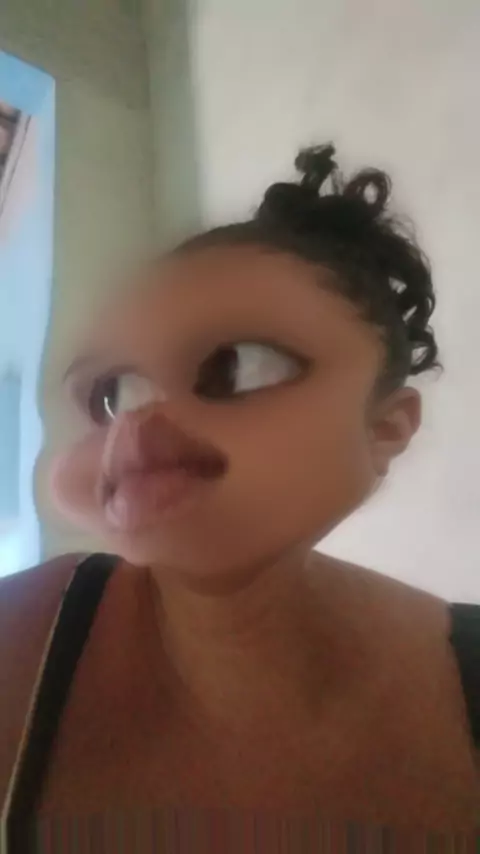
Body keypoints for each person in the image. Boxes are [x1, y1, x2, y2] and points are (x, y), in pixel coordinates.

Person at [1, 144, 479, 849]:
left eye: (234, 368)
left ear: (385, 428)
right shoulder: (20, 639)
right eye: (110, 393)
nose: (138, 423)